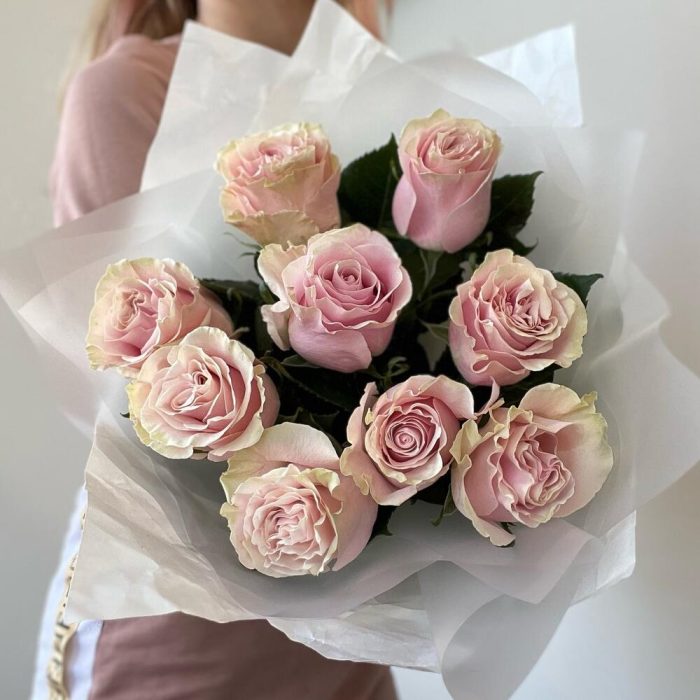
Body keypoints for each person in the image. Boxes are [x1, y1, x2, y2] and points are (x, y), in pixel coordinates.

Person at [35, 2, 398, 698]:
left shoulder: (379, 85)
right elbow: (133, 406)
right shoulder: (130, 93)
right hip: (180, 637)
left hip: (345, 632)